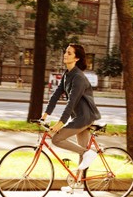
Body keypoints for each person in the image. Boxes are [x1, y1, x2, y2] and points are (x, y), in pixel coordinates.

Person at [41, 43, 102, 176]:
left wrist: (60, 123)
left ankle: (88, 153)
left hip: (84, 117)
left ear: (77, 58)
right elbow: (55, 95)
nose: (65, 55)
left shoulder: (79, 77)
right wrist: (44, 116)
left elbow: (71, 103)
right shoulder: (67, 74)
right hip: (79, 116)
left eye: (69, 53)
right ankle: (78, 183)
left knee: (56, 139)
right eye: (65, 52)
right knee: (82, 151)